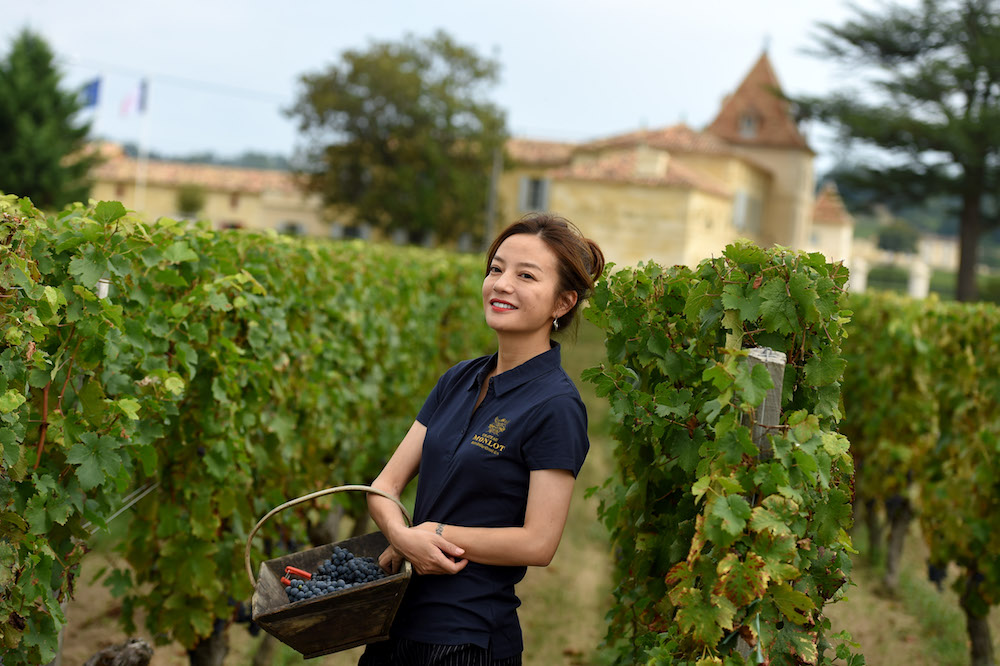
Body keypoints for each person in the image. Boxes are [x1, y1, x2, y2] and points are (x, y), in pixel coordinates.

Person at [359, 213, 605, 666]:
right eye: (496, 268)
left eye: (525, 275)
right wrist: (400, 533)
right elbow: (383, 486)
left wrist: (433, 533)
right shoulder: (459, 378)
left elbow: (539, 543)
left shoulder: (556, 406)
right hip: (394, 625)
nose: (501, 284)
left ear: (562, 303)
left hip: (467, 640)